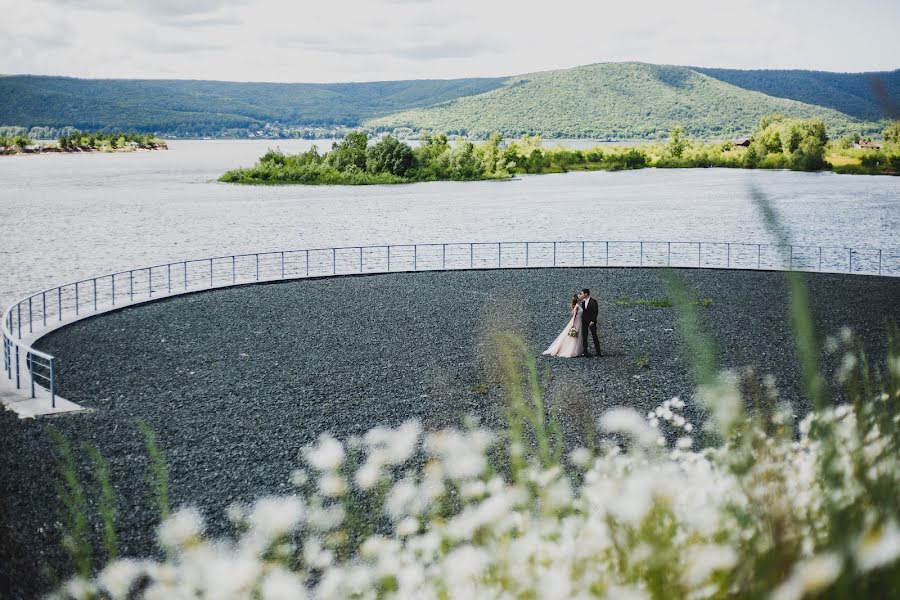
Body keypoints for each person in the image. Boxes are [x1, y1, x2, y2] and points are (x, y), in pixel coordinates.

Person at [542, 293, 585, 358]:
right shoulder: (577, 306)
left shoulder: (579, 305)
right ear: (577, 298)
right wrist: (573, 325)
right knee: (573, 336)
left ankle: (576, 350)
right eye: (579, 296)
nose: (580, 297)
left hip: (579, 321)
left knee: (577, 336)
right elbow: (574, 316)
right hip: (576, 322)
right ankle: (571, 350)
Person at [578, 288, 601, 357]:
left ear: (586, 294)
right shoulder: (583, 302)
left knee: (594, 336)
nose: (581, 295)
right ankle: (585, 351)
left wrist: (593, 320)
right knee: (585, 336)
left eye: (582, 293)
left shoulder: (593, 301)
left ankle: (598, 351)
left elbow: (595, 312)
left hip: (591, 321)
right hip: (584, 321)